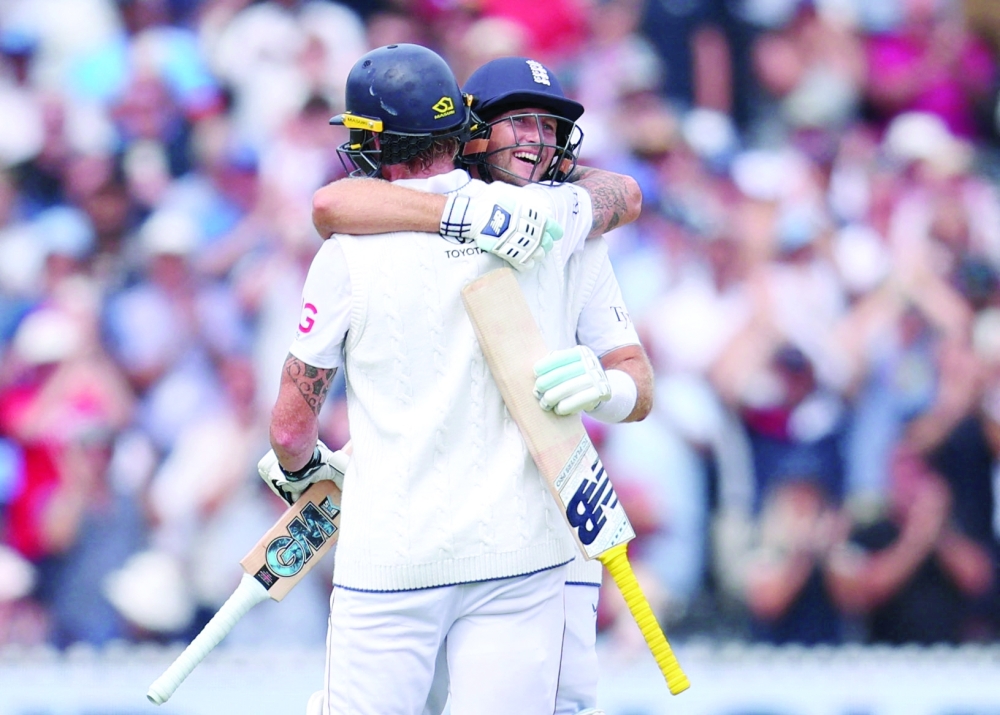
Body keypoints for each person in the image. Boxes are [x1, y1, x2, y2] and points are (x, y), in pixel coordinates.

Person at [290, 54, 652, 715]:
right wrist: (462, 215)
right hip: (451, 551)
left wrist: (605, 387)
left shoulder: (558, 219)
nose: (539, 142)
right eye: (521, 123)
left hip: (540, 531)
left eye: (551, 126)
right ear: (472, 133)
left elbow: (626, 196)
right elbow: (332, 203)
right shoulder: (496, 219)